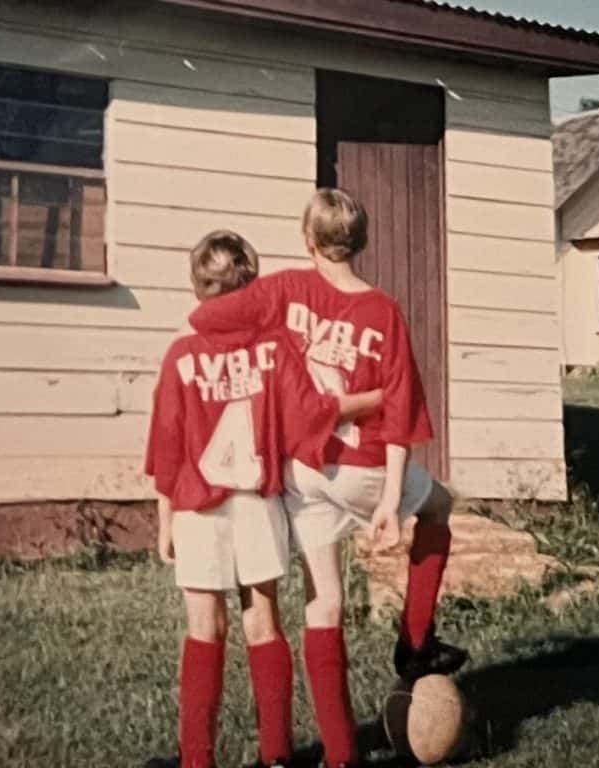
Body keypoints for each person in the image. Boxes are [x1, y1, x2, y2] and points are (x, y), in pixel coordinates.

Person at [188, 190, 469, 768]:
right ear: (360, 242)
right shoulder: (383, 310)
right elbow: (399, 415)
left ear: (307, 240)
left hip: (306, 470)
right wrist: (392, 500)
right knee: (439, 505)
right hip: (362, 465)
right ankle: (415, 643)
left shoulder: (285, 290)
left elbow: (206, 316)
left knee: (326, 604)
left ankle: (342, 755)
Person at [145, 230, 382, 768]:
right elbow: (308, 417)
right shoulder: (275, 349)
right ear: (251, 282)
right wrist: (373, 399)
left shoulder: (181, 355)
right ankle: (277, 755)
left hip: (198, 507)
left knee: (204, 628)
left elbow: (167, 445)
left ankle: (197, 761)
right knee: (263, 623)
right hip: (257, 502)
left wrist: (164, 520)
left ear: (198, 285)